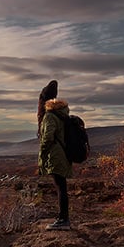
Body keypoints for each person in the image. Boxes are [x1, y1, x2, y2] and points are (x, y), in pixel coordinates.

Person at [37, 82, 73, 231]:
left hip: (56, 155)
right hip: (64, 154)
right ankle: (63, 218)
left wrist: (42, 153)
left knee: (60, 187)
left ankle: (63, 220)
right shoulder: (63, 114)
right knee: (62, 186)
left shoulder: (50, 116)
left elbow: (48, 137)